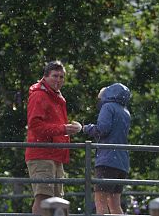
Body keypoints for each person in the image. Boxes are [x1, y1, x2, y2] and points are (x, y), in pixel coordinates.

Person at [25, 61, 81, 215]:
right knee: (43, 197)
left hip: (54, 154)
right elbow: (35, 127)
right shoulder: (39, 95)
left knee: (58, 199)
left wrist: (66, 130)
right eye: (55, 76)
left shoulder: (55, 96)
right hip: (41, 154)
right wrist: (64, 129)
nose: (58, 80)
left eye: (61, 77)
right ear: (45, 76)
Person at [83, 83, 131, 214]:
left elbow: (102, 129)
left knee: (100, 201)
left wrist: (85, 128)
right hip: (121, 162)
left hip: (107, 160)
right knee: (115, 203)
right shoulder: (125, 111)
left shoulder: (108, 107)